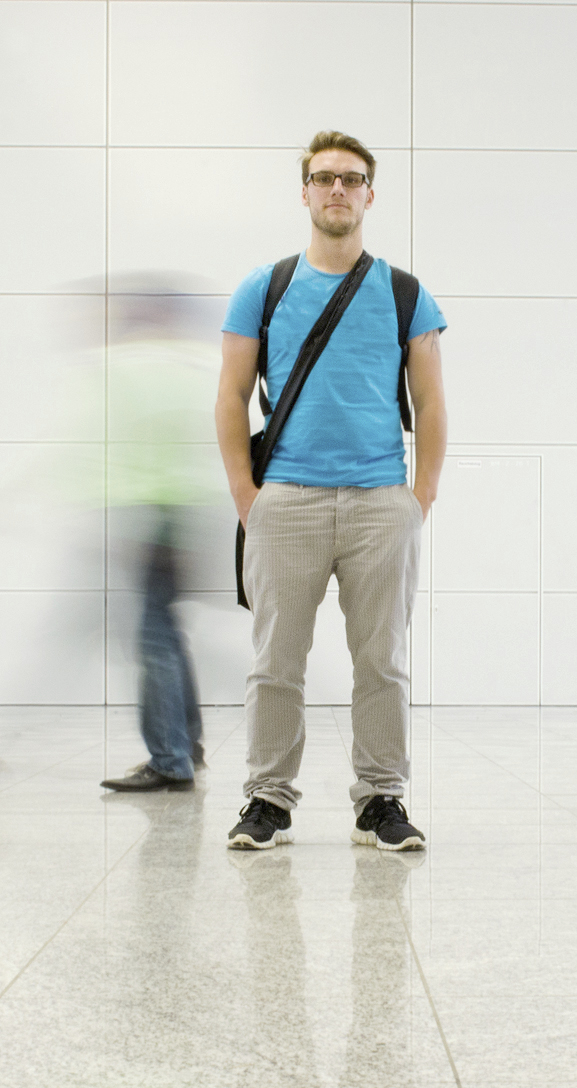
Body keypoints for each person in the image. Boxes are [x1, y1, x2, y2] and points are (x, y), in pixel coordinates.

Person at [214, 130, 447, 850]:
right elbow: (229, 397)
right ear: (305, 192)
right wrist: (246, 496)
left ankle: (381, 797)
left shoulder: (404, 291)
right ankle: (267, 800)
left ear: (369, 195)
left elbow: (431, 403)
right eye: (324, 179)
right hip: (286, 499)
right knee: (276, 661)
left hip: (381, 502)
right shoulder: (265, 286)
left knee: (382, 661)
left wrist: (420, 496)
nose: (337, 190)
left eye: (351, 179)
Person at [97, 288, 219, 792]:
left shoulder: (148, 372)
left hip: (160, 517)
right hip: (186, 515)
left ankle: (170, 759)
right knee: (166, 632)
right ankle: (187, 744)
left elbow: (142, 454)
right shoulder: (197, 367)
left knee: (153, 639)